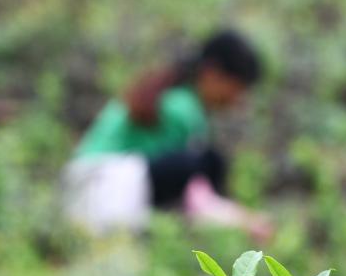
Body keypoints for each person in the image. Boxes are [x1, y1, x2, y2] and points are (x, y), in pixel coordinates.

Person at [63, 29, 273, 241]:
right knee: (201, 164)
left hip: (87, 187)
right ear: (214, 73)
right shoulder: (182, 108)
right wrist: (241, 219)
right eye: (238, 88)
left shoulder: (173, 96)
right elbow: (194, 192)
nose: (238, 99)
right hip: (99, 189)